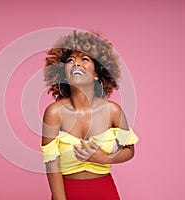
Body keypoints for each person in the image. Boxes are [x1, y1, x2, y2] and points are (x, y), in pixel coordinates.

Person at [40, 30, 139, 200]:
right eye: (70, 60)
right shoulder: (54, 113)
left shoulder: (113, 111)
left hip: (105, 191)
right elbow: (52, 164)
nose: (76, 63)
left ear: (96, 74)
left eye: (84, 59)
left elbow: (129, 150)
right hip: (67, 192)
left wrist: (105, 158)